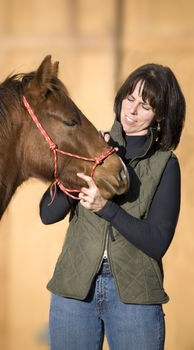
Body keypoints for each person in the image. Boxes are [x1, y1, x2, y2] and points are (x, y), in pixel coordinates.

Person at [39, 63, 186, 350]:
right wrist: (83, 164)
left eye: (144, 106)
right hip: (74, 290)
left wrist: (106, 208)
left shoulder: (166, 164)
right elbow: (48, 213)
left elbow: (157, 242)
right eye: (130, 99)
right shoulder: (91, 144)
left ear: (161, 115)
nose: (131, 111)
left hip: (135, 298)